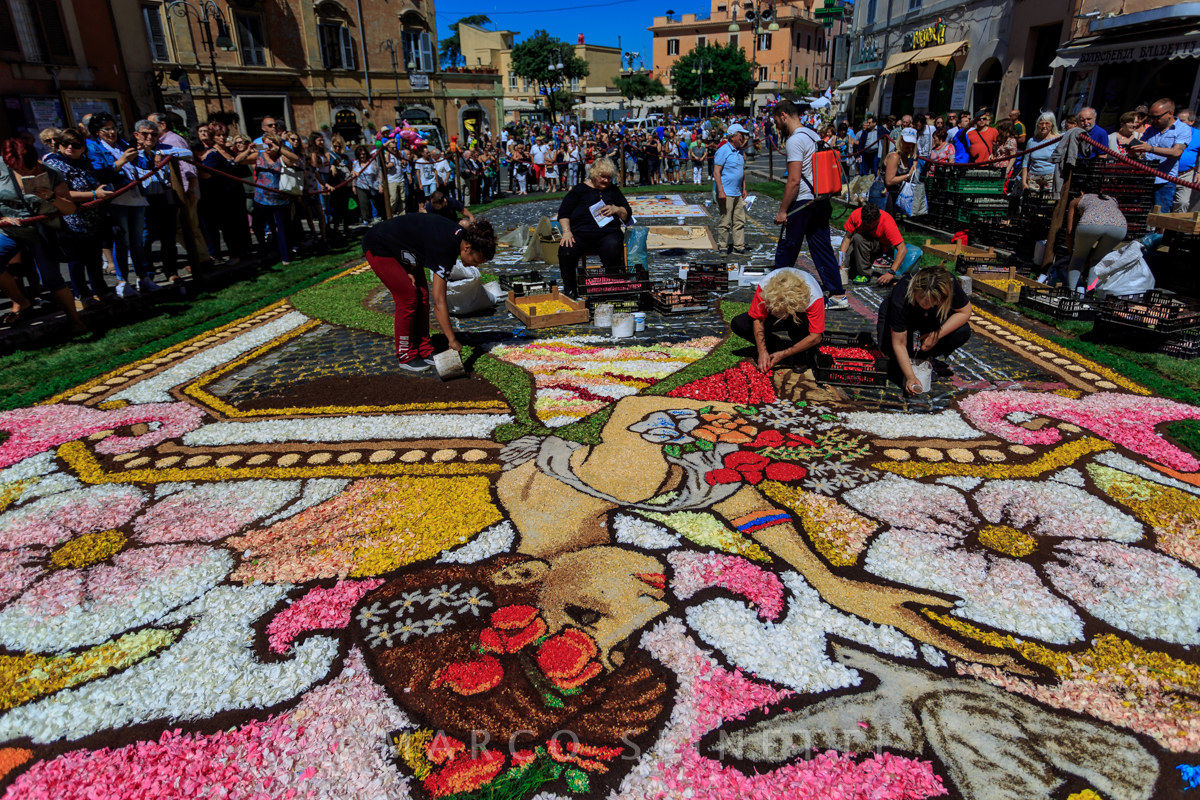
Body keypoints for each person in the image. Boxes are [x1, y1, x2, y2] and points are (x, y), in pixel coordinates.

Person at [362, 214, 497, 370]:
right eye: (475, 261)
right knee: (408, 297)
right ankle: (406, 355)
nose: (474, 266)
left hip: (408, 249)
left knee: (422, 296)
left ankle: (424, 348)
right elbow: (439, 302)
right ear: (467, 248)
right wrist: (452, 340)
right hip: (380, 246)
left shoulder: (460, 237)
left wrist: (408, 268)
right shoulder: (446, 248)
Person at [0, 137, 85, 330]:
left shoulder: (50, 172)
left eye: (28, 168)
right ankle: (22, 301)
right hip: (10, 230)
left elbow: (70, 208)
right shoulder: (0, 168)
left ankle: (75, 320)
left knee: (51, 278)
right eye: (19, 168)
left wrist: (52, 197)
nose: (24, 171)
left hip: (42, 231)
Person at [771, 99, 845, 310]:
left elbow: (793, 180)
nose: (777, 126)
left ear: (784, 115)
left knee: (787, 247)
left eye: (777, 121)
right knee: (822, 248)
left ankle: (775, 290)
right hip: (820, 199)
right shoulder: (813, 135)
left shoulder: (795, 141)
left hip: (802, 202)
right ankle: (838, 294)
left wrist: (783, 211)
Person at [44, 128, 114, 307]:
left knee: (94, 258)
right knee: (77, 260)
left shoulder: (84, 163)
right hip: (71, 220)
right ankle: (81, 294)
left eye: (75, 145)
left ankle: (100, 289)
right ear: (58, 146)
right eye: (64, 144)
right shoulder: (55, 165)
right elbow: (63, 194)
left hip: (93, 218)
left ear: (83, 148)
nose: (69, 147)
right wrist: (93, 194)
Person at [877, 266, 972, 396]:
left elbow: (965, 312)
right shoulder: (901, 293)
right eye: (923, 299)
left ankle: (925, 355)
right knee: (894, 362)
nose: (926, 304)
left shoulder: (949, 283)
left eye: (933, 300)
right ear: (915, 290)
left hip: (934, 316)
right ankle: (912, 360)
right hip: (905, 313)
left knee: (962, 330)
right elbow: (899, 343)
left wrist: (936, 335)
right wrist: (911, 377)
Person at [556, 157, 633, 298]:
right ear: (593, 174)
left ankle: (613, 286)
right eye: (602, 177)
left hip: (607, 234)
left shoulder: (613, 190)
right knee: (566, 250)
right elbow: (563, 213)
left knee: (613, 246)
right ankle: (570, 289)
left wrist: (616, 209)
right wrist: (566, 232)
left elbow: (627, 215)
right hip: (580, 235)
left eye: (609, 178)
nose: (606, 181)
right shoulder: (579, 190)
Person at [730, 267, 825, 373]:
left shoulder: (814, 297)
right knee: (739, 324)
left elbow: (816, 337)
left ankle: (799, 353)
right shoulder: (765, 286)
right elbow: (758, 318)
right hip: (774, 310)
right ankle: (774, 345)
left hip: (798, 315)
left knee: (801, 326)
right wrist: (762, 351)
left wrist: (784, 354)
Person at [1128, 97, 1189, 213]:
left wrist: (1150, 148)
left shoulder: (1182, 129)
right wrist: (1133, 148)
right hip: (1144, 177)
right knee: (1138, 213)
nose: (1153, 121)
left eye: (1157, 117)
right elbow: (1142, 145)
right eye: (1151, 117)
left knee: (1160, 216)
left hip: (1165, 181)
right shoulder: (1152, 129)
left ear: (1170, 113)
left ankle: (1159, 232)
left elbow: (1176, 152)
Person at [252, 132, 300, 264]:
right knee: (259, 227)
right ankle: (267, 252)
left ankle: (285, 257)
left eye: (269, 143)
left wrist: (278, 148)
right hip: (261, 198)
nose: (267, 146)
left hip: (280, 199)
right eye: (265, 143)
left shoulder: (281, 156)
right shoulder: (259, 155)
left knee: (282, 228)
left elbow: (295, 159)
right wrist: (247, 151)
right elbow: (238, 160)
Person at [1063, 192, 1127, 292]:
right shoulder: (1112, 199)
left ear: (1082, 192)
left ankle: (1071, 292)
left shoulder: (1076, 201)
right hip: (1120, 226)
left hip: (1090, 223)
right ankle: (1090, 293)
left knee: (1078, 257)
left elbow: (1069, 231)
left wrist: (1071, 252)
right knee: (1098, 260)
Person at [838, 204, 908, 286]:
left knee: (858, 238)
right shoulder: (856, 215)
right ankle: (854, 267)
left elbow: (902, 249)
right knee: (843, 269)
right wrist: (841, 261)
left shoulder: (887, 222)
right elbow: (847, 238)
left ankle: (865, 273)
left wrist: (891, 272)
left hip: (878, 247)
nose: (868, 226)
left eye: (871, 224)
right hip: (861, 243)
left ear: (878, 218)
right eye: (866, 224)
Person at [713, 122, 749, 255]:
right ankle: (723, 246)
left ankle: (739, 246)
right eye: (741, 135)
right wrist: (720, 191)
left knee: (739, 220)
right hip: (726, 192)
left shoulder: (740, 151)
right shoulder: (723, 150)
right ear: (733, 136)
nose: (744, 137)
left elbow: (742, 171)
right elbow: (716, 172)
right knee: (725, 220)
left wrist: (744, 187)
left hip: (737, 192)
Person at [879, 129, 915, 218]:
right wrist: (907, 175)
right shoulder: (894, 156)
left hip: (894, 194)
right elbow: (889, 181)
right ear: (901, 140)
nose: (909, 145)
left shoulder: (906, 157)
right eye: (907, 142)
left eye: (911, 143)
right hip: (884, 195)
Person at [1022, 112, 1059, 194]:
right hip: (1033, 177)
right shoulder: (1032, 141)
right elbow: (1025, 163)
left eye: (1047, 123)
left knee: (1048, 202)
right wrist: (1024, 182)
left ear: (1052, 125)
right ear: (1037, 125)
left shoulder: (1058, 140)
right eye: (1041, 123)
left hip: (1050, 177)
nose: (1044, 126)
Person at [1172, 108, 1200, 212]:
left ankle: (1174, 228)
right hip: (1168, 172)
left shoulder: (1198, 134)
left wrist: (1198, 172)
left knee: (1182, 203)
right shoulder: (1172, 130)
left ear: (1191, 122)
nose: (1178, 123)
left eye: (1182, 120)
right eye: (1177, 119)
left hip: (1186, 174)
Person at [352, 144, 381, 225]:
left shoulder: (372, 161)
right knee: (363, 202)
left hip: (372, 185)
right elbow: (353, 175)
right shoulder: (355, 163)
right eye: (360, 154)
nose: (362, 156)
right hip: (360, 185)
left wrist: (380, 185)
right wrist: (353, 186)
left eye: (364, 154)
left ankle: (376, 217)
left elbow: (378, 174)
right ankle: (366, 219)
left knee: (374, 202)